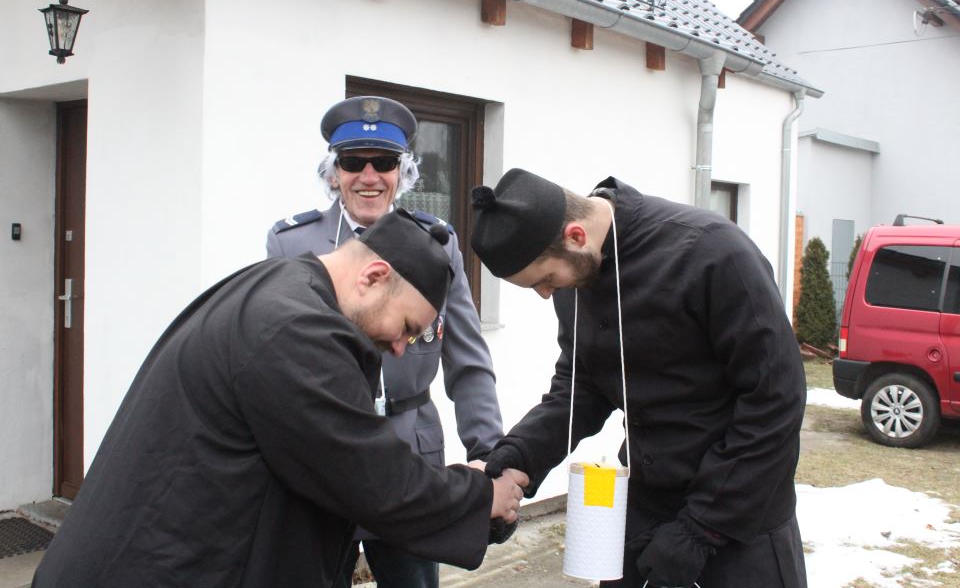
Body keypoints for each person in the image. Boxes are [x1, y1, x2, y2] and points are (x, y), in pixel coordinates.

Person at [32, 210, 528, 588]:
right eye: (406, 327)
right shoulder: (297, 331)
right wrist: (483, 496)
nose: (401, 348)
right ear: (374, 276)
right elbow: (371, 476)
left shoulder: (274, 288)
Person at [470, 168, 808, 588]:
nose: (546, 294)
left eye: (545, 280)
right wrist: (518, 455)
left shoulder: (713, 253)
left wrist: (701, 529)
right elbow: (581, 388)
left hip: (740, 522)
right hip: (646, 515)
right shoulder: (577, 276)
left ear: (576, 236)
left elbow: (776, 401)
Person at [266, 96, 504, 588]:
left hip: (408, 453)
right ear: (334, 172)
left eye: (385, 162)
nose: (369, 177)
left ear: (403, 171)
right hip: (321, 455)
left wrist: (489, 452)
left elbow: (467, 358)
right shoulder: (292, 243)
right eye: (354, 162)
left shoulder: (437, 242)